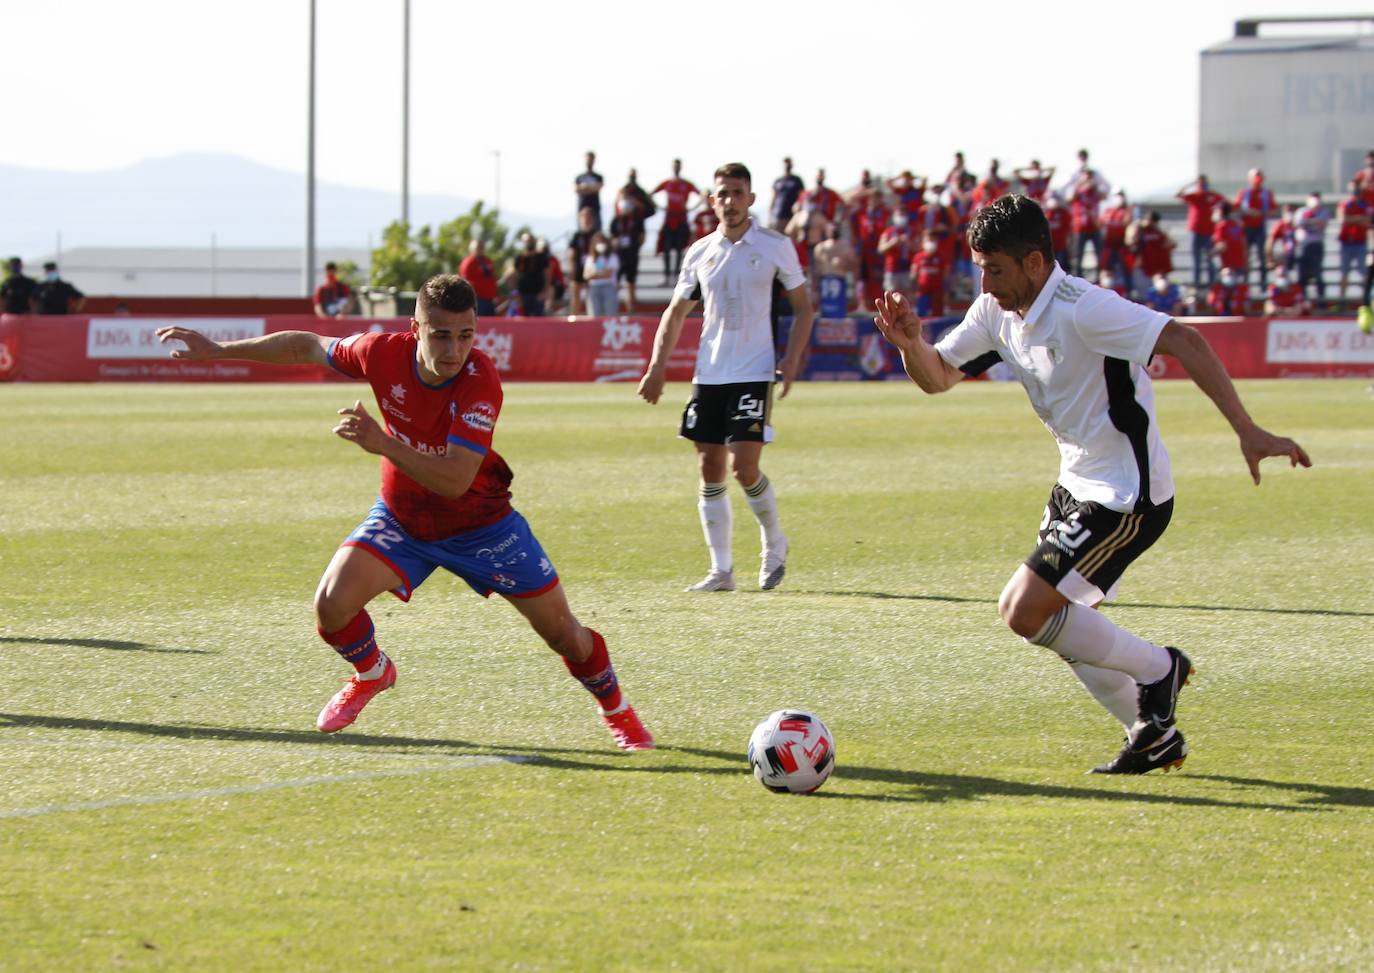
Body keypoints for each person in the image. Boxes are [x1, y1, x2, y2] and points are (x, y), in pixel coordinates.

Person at [872, 194, 1310, 774]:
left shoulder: (1084, 308)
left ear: (1033, 263)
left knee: (1024, 610)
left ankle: (1160, 669)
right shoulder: (993, 312)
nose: (985, 282)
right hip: (1076, 488)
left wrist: (1247, 430)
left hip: (1128, 495)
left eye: (994, 269)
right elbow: (939, 377)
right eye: (980, 268)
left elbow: (1187, 340)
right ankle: (1150, 733)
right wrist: (910, 346)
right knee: (1061, 623)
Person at [154, 275, 654, 749]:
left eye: (465, 336)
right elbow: (306, 345)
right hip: (404, 519)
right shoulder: (379, 352)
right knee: (331, 604)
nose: (455, 350)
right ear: (414, 329)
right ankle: (373, 673)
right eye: (440, 336)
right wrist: (220, 351)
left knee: (564, 634)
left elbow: (456, 480)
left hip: (482, 525)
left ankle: (617, 709)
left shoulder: (481, 381)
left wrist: (382, 444)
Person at [636, 162, 815, 593]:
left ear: (751, 199)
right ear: (711, 201)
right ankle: (722, 571)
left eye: (738, 193)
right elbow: (675, 312)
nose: (730, 201)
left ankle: (774, 541)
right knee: (709, 466)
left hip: (754, 371)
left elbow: (804, 308)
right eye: (723, 194)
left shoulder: (775, 246)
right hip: (710, 372)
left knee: (744, 466)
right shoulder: (700, 252)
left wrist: (791, 360)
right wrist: (657, 367)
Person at [653, 159, 699, 286]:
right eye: (674, 166)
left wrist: (692, 208)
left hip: (681, 220)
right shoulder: (667, 183)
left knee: (680, 249)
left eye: (678, 166)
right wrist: (660, 207)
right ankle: (667, 276)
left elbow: (701, 195)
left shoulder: (686, 184)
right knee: (666, 248)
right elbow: (651, 194)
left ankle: (677, 276)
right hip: (669, 219)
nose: (676, 169)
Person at [1176, 176, 1224, 290]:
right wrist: (1191, 184)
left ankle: (1212, 284)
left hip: (1208, 232)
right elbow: (1178, 195)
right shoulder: (1195, 195)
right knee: (1196, 260)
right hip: (1195, 232)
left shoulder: (1212, 195)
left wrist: (1218, 212)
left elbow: (1224, 203)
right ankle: (1197, 284)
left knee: (1209, 259)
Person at [1233, 168, 1277, 289]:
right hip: (1246, 228)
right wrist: (1248, 212)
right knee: (1244, 256)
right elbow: (1236, 208)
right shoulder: (1244, 193)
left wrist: (1262, 213)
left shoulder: (1267, 193)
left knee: (1262, 255)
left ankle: (1263, 283)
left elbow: (1274, 210)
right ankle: (1244, 282)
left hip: (1260, 227)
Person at [1337, 181, 1370, 307]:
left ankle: (1365, 301)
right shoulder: (1345, 203)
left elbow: (1367, 222)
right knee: (1344, 273)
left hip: (1360, 242)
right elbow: (1343, 220)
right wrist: (1358, 218)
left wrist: (1353, 219)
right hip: (1346, 243)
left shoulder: (1365, 205)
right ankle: (1341, 302)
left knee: (1364, 273)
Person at [1295, 192, 1330, 308]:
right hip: (1303, 245)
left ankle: (1321, 302)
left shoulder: (1324, 211)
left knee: (1317, 274)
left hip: (1316, 245)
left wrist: (1309, 221)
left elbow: (1322, 223)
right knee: (1302, 276)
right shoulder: (1301, 211)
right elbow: (1299, 223)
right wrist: (1312, 221)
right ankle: (1302, 302)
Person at [506, 232, 550, 316]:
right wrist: (516, 293)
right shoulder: (520, 257)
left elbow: (547, 274)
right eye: (525, 241)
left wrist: (545, 291)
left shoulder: (541, 256)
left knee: (538, 320)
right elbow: (512, 275)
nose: (528, 243)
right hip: (523, 295)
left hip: (538, 294)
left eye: (530, 240)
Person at [458, 240, 500, 316]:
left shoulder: (487, 261)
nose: (481, 249)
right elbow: (466, 280)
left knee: (491, 324)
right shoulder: (469, 262)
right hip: (478, 299)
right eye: (478, 247)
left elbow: (492, 277)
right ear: (472, 249)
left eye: (482, 247)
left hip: (489, 299)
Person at [583, 232, 621, 316]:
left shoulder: (612, 257)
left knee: (611, 314)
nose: (599, 244)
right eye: (597, 242)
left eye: (601, 242)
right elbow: (586, 275)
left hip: (609, 287)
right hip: (594, 288)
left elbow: (608, 274)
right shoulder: (590, 258)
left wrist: (594, 274)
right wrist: (600, 273)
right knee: (593, 315)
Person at [769, 157, 804, 232]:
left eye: (788, 163)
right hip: (778, 216)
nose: (787, 165)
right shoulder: (778, 181)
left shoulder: (796, 180)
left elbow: (802, 196)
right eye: (785, 163)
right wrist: (770, 213)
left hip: (791, 216)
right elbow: (773, 198)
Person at [575, 151, 605, 230]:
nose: (589, 162)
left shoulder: (598, 176)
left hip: (594, 206)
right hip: (582, 206)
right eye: (587, 159)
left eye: (590, 160)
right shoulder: (579, 177)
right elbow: (576, 189)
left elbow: (598, 188)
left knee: (596, 230)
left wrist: (585, 188)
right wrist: (591, 188)